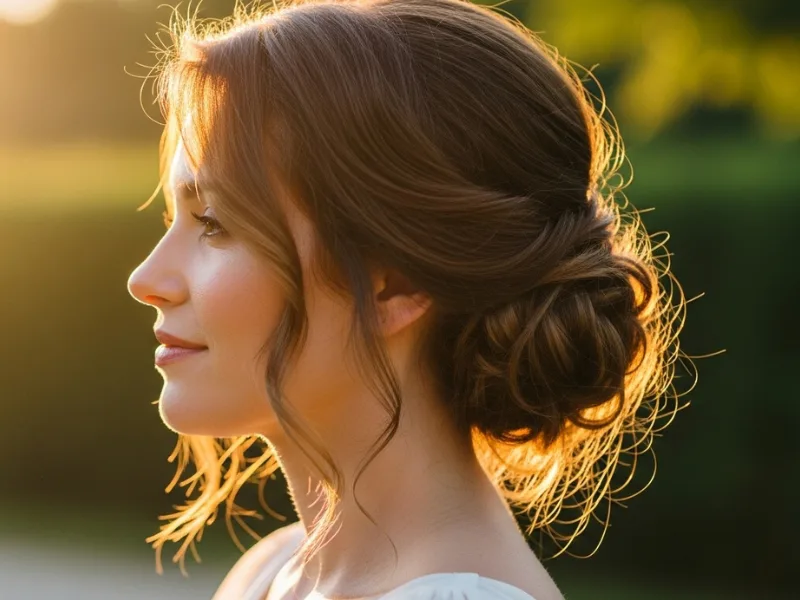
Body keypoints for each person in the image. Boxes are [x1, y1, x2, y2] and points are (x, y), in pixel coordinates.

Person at [126, 1, 689, 599]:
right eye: (173, 217)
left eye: (213, 223)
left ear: (393, 282)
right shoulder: (271, 574)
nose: (145, 278)